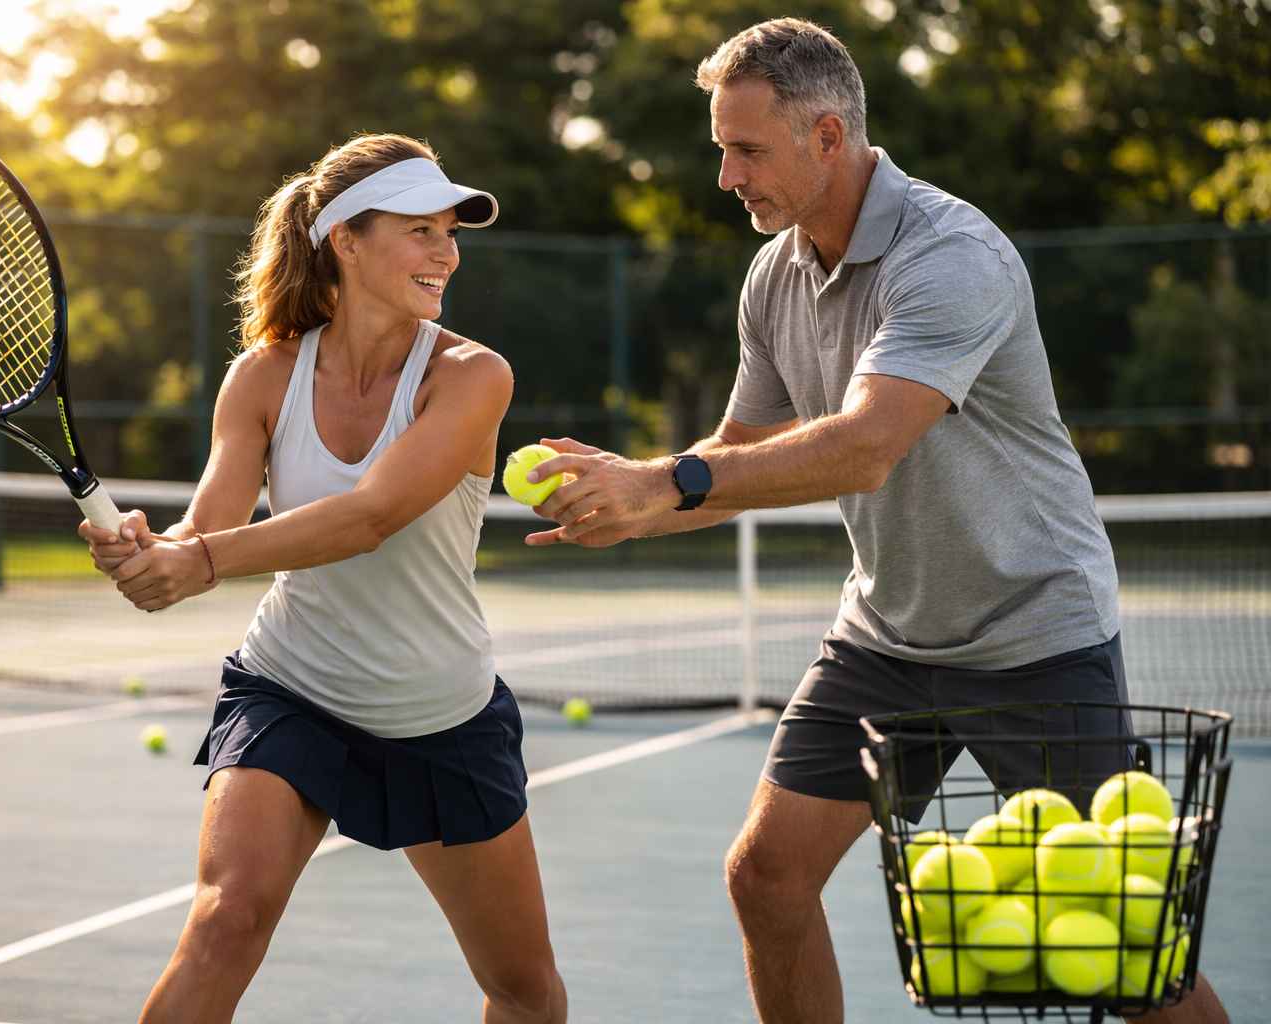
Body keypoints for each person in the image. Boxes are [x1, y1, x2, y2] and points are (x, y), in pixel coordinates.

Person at [518, 18, 1227, 1024]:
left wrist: (659, 483)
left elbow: (864, 443)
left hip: (1033, 633)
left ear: (829, 138)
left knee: (1123, 949)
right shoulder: (775, 273)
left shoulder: (952, 256)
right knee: (765, 877)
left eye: (747, 150)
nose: (726, 177)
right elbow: (733, 454)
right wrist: (635, 502)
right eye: (721, 148)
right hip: (885, 640)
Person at [78, 133, 568, 1024]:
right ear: (346, 237)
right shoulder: (263, 374)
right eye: (419, 230)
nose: (445, 252)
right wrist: (154, 550)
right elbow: (212, 520)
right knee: (227, 919)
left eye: (450, 232)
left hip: (439, 713)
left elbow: (371, 515)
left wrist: (202, 562)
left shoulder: (470, 376)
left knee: (525, 993)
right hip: (289, 687)